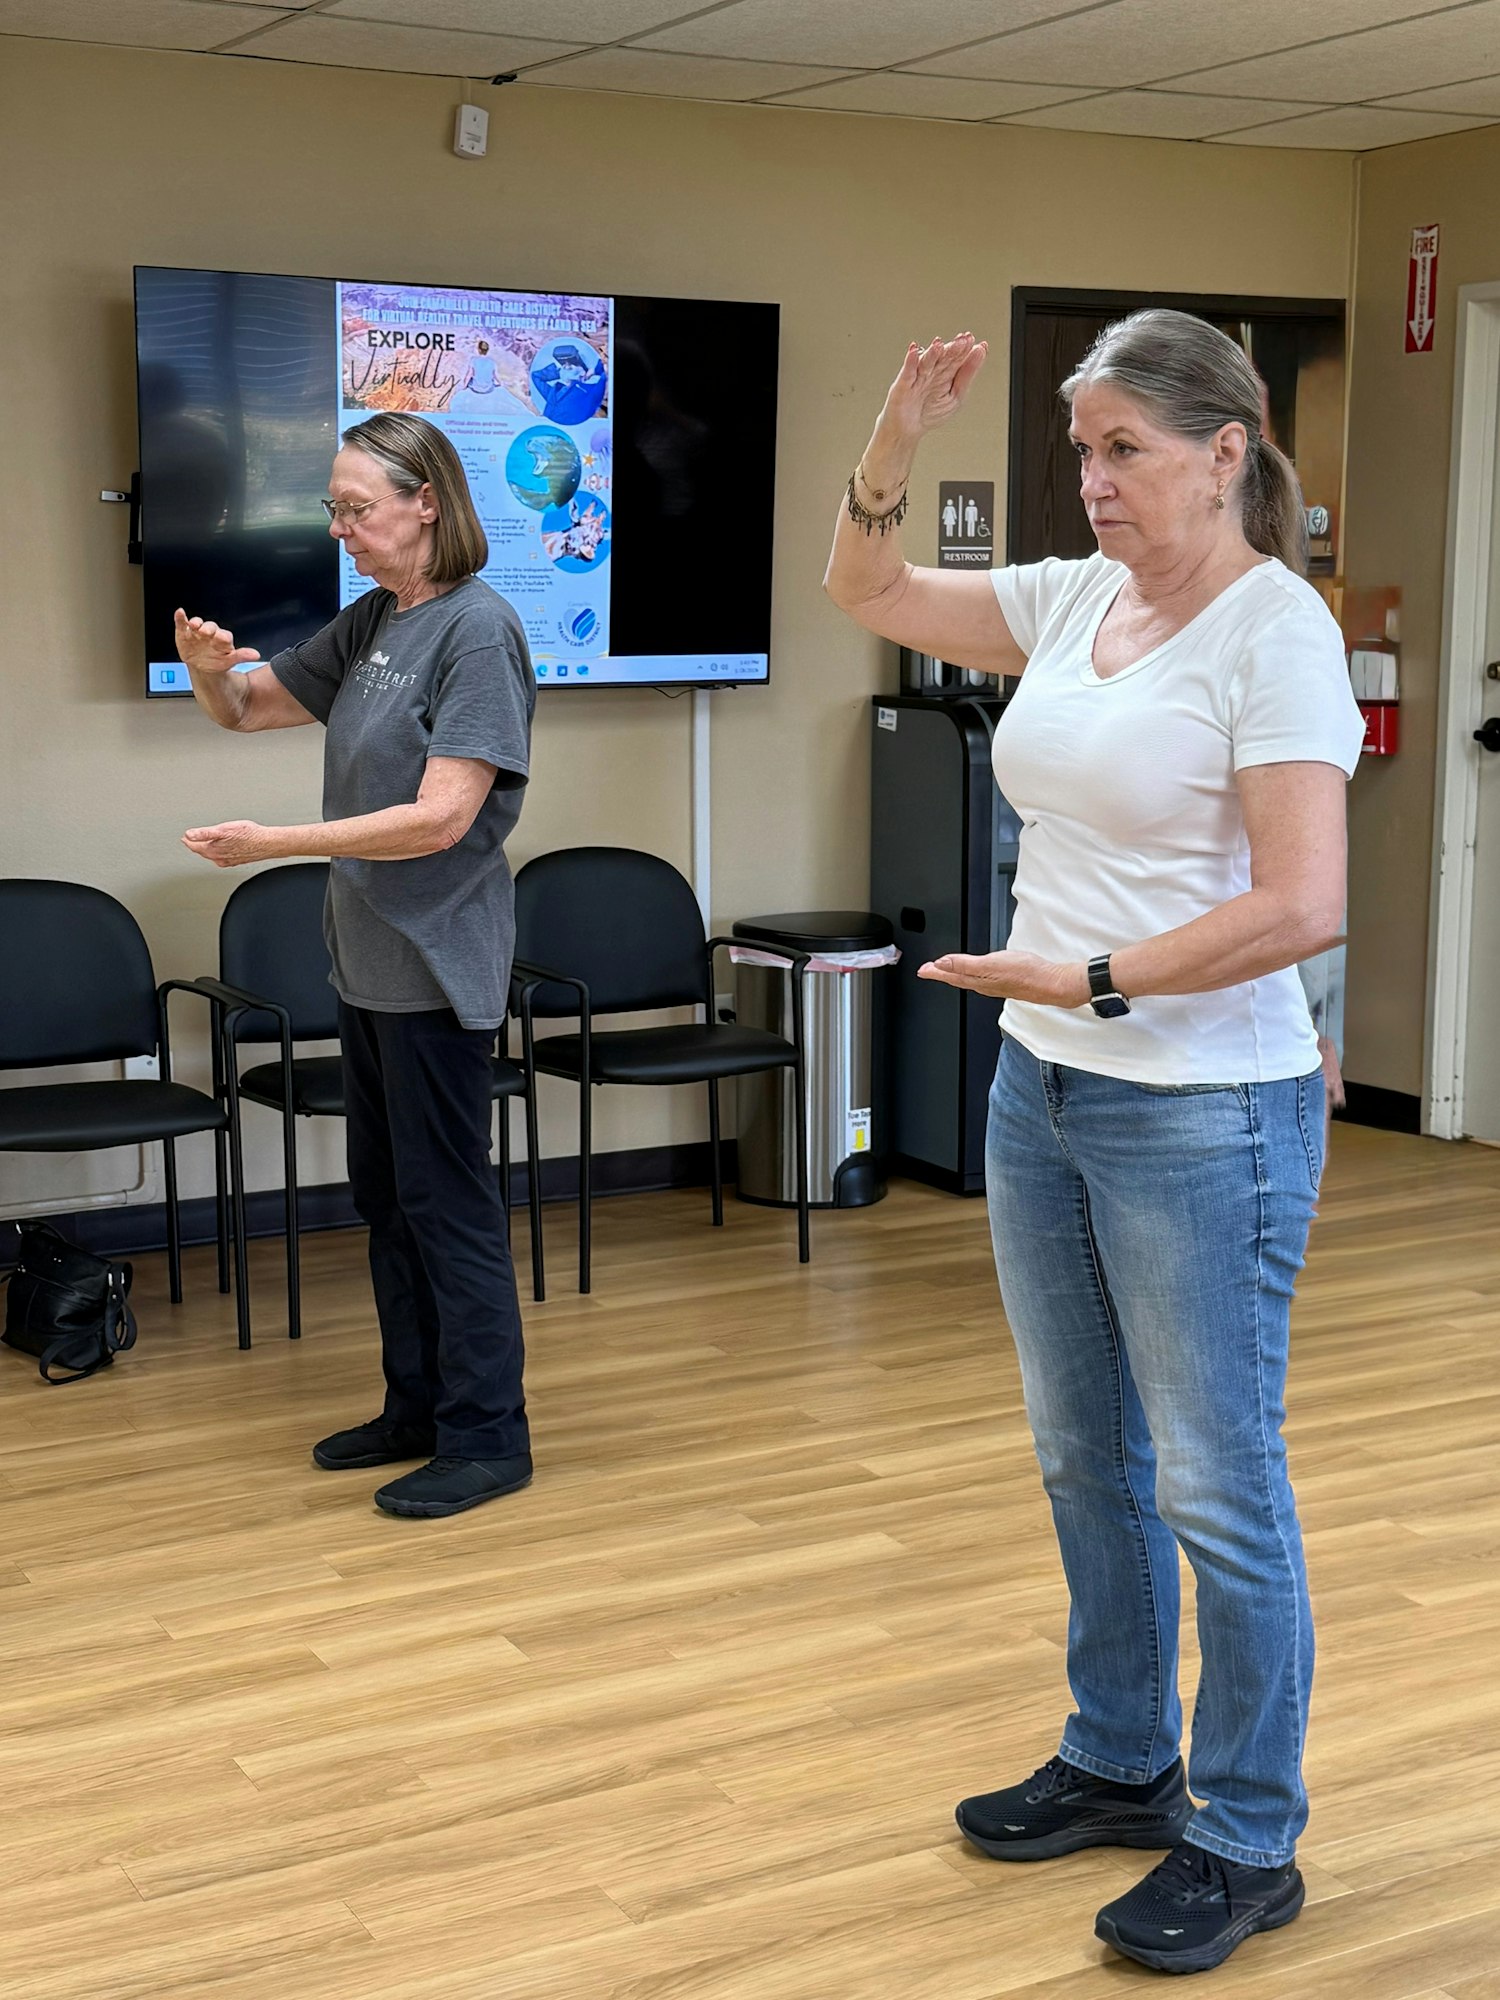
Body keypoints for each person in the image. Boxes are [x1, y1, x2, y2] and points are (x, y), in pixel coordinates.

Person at [824, 312, 1363, 1975]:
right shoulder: (1075, 598)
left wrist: (1098, 977)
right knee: (1084, 1458)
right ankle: (1125, 1753)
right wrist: (896, 437)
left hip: (1204, 1112)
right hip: (1042, 1089)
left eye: (1126, 448)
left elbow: (1302, 901)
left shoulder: (1277, 633)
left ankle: (1247, 1832)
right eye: (1082, 452)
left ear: (1226, 448)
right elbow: (871, 594)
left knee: (1218, 1485)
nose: (1096, 481)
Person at [173, 411, 536, 1521]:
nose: (341, 527)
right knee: (386, 1197)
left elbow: (439, 820)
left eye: (356, 507)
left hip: (435, 969)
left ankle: (488, 1436)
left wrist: (272, 843)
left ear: (427, 501)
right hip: (368, 962)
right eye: (331, 507)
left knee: (447, 1202)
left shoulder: (479, 631)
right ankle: (415, 1405)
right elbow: (247, 706)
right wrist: (203, 674)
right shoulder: (379, 620)